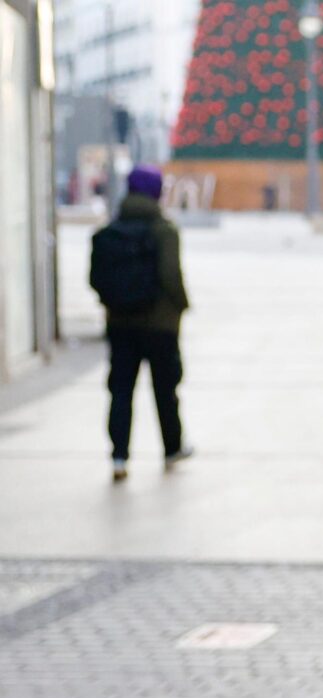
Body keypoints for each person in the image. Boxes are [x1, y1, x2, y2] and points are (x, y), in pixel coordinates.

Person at [91, 164, 192, 483]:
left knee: (121, 390)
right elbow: (171, 277)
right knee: (165, 389)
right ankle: (171, 448)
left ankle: (119, 457)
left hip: (120, 325)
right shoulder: (164, 230)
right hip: (159, 326)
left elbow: (95, 279)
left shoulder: (111, 230)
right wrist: (182, 306)